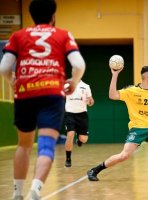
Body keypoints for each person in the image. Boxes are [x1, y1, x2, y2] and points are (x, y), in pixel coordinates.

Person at [0, 0, 85, 199]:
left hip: (25, 94)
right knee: (46, 145)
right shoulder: (63, 34)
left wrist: (12, 80)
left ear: (32, 16)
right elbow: (79, 65)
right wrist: (73, 82)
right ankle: (35, 190)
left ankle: (17, 193)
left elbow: (4, 68)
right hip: (51, 94)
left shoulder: (18, 35)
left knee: (24, 145)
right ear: (53, 16)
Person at [64, 80, 94, 167]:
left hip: (82, 115)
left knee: (84, 139)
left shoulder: (86, 86)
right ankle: (68, 159)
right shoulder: (66, 84)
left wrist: (90, 102)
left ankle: (79, 140)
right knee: (70, 134)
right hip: (69, 113)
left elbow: (91, 101)